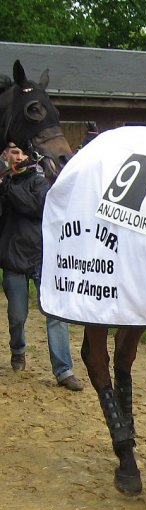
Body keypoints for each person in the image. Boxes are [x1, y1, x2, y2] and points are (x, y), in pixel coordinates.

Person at [0, 143, 84, 390]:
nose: (19, 156)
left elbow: (39, 208)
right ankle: (18, 350)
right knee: (17, 316)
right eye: (14, 152)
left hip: (42, 258)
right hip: (13, 259)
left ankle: (63, 370)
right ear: (4, 155)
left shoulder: (39, 182)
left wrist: (9, 187)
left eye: (23, 152)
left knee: (55, 314)